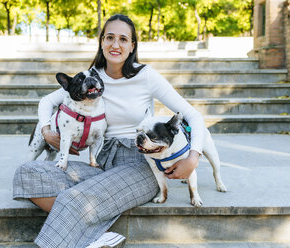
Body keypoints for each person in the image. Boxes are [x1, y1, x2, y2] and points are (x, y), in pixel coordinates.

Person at [13, 14, 205, 248]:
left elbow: (193, 115)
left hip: (142, 165)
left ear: (132, 45)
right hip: (104, 163)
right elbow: (46, 102)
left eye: (123, 39)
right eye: (110, 38)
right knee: (27, 173)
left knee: (76, 200)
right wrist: (46, 131)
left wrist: (193, 158)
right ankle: (97, 238)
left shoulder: (146, 76)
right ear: (102, 41)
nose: (116, 45)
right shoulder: (91, 78)